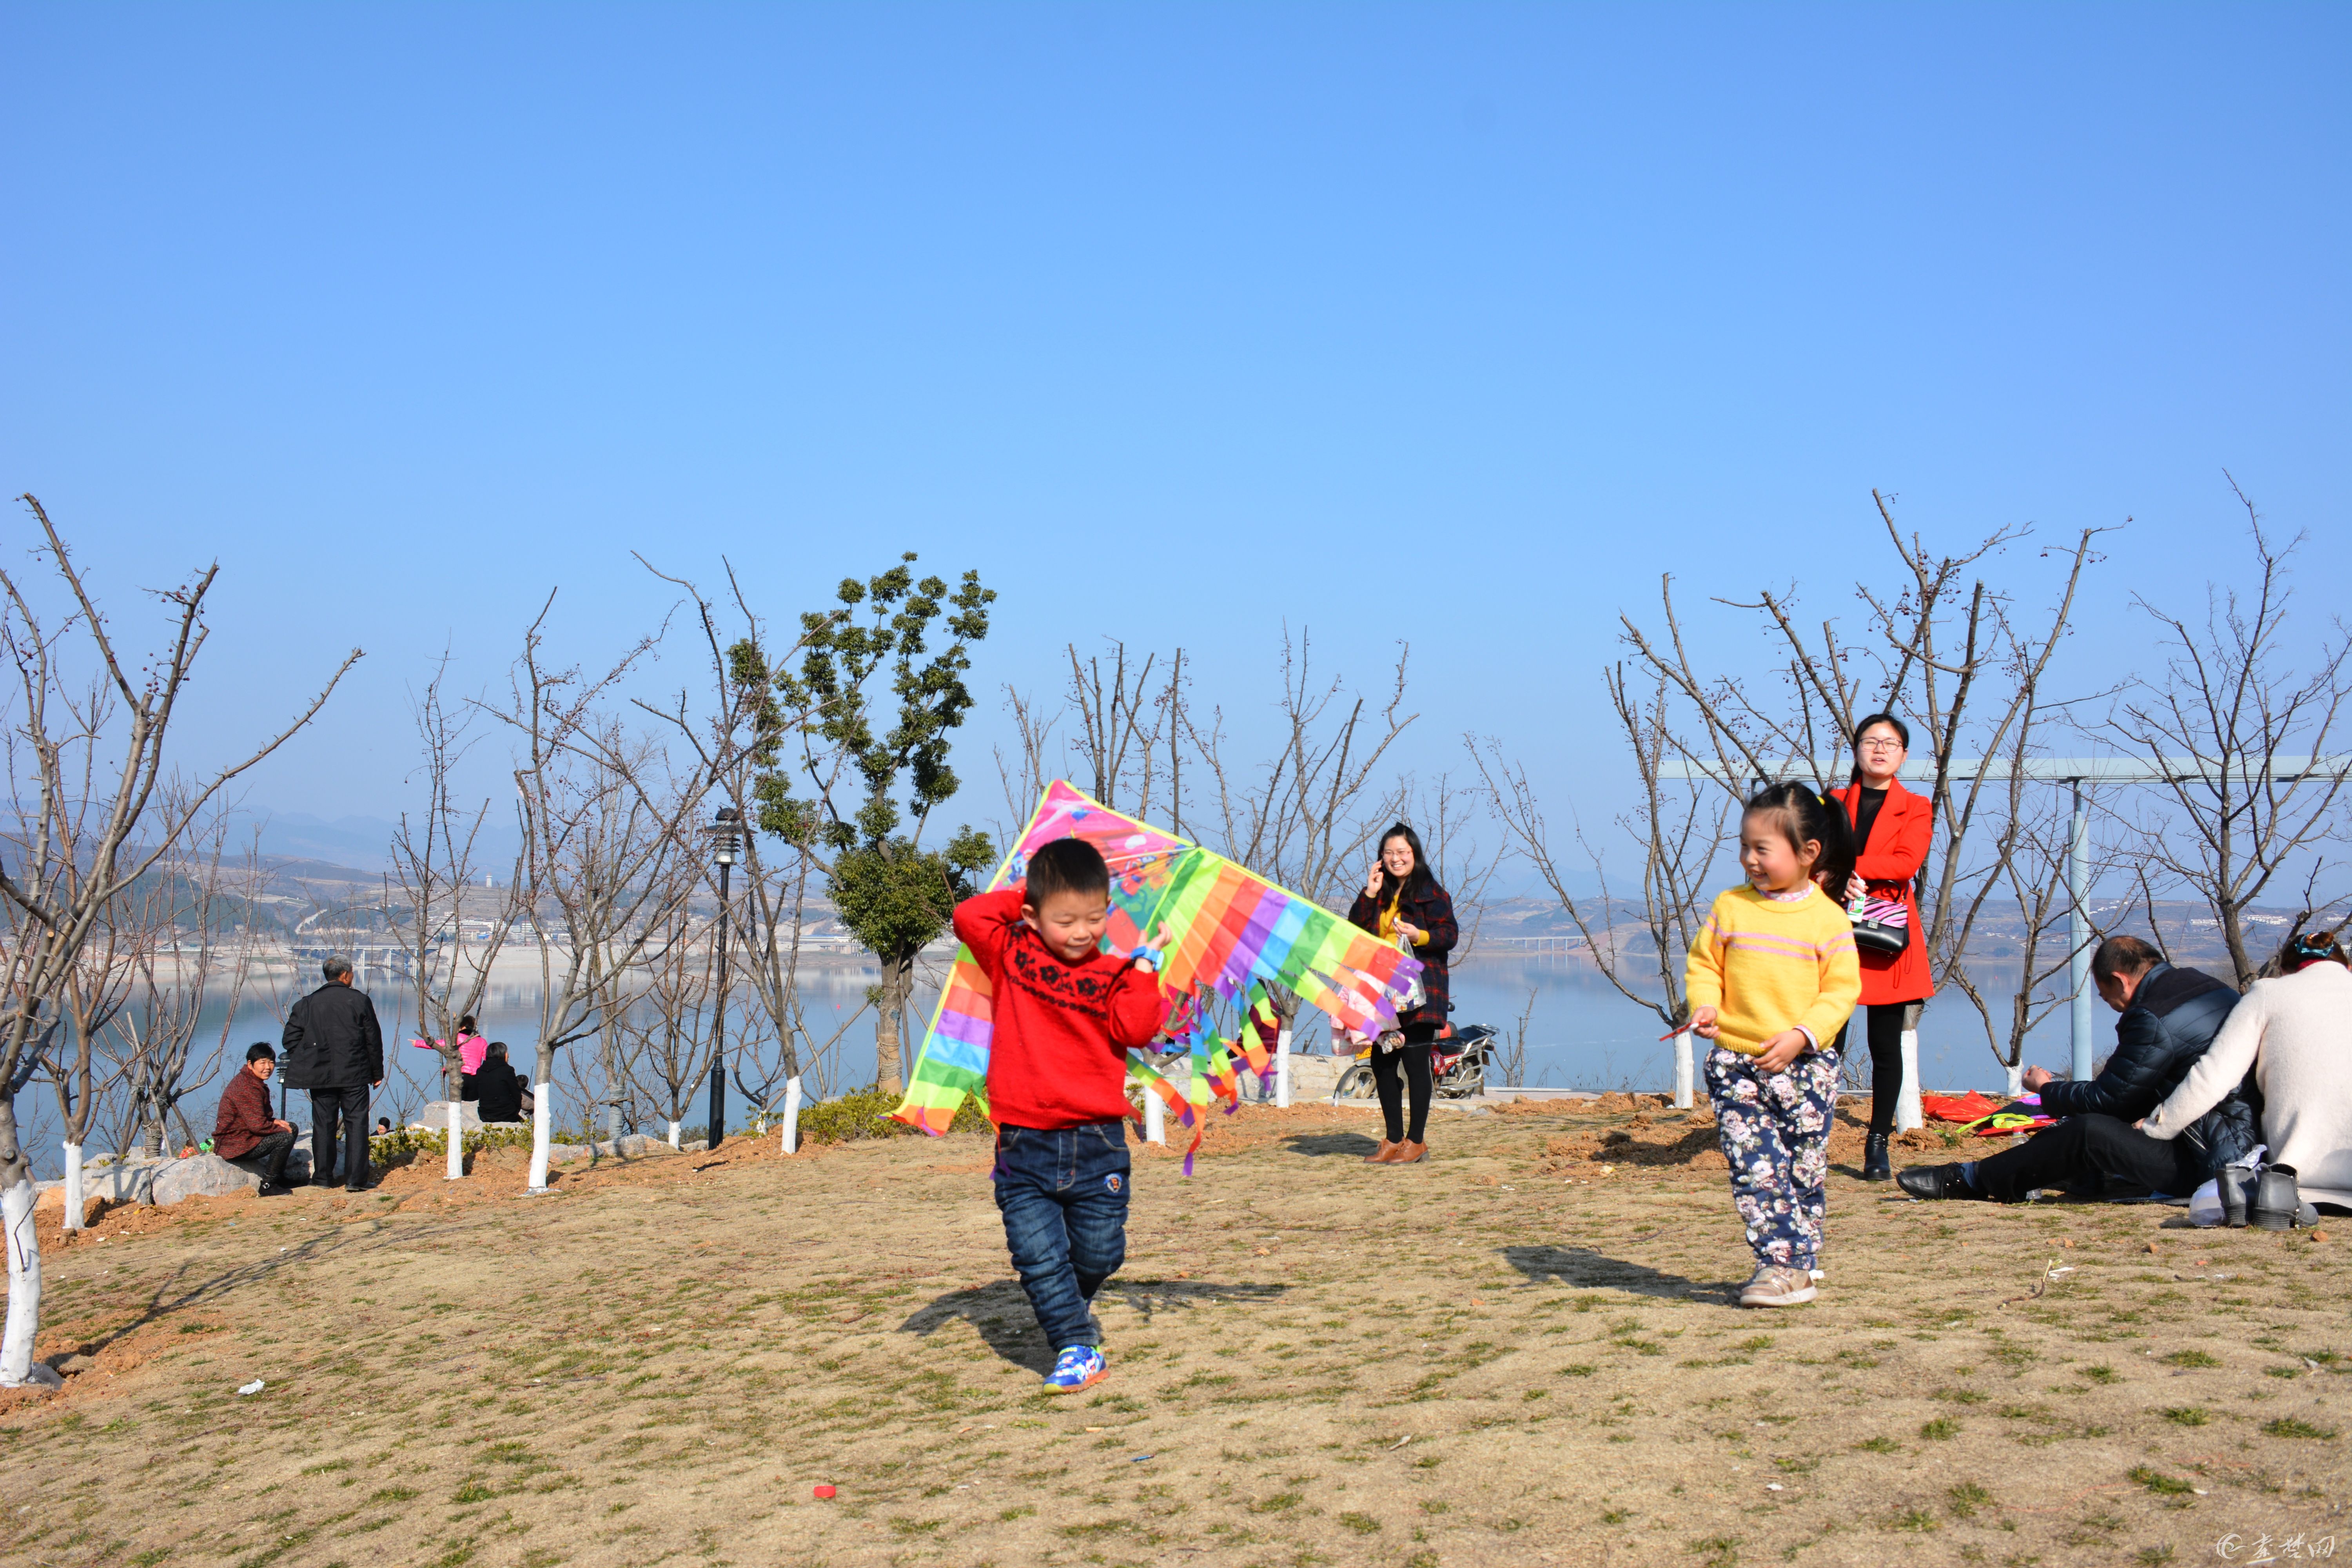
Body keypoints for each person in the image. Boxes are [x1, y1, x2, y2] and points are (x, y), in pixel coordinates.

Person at [952, 837, 1169, 1394]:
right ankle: (1076, 1345)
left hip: (1098, 1143)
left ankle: (1074, 1300)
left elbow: (1139, 1030)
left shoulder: (1118, 973)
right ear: (1031, 915)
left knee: (1098, 1253)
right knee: (1037, 1256)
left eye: (1094, 918)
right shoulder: (1011, 953)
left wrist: (1146, 966)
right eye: (1065, 918)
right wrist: (1034, 891)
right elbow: (968, 913)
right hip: (1023, 1145)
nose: (1081, 932)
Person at [1896, 935, 2254, 1204]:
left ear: (2120, 980)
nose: (2111, 1006)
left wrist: (2046, 1090)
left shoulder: (2152, 1016)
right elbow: (2137, 1090)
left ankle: (1971, 1180)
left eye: (2105, 996)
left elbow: (2111, 1099)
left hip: (2207, 1159)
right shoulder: (2209, 988)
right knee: (2082, 1127)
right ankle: (2049, 1174)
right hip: (2242, 1141)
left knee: (2088, 1131)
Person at [1685, 782, 1861, 1308]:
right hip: (1737, 1063)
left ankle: (1801, 1260)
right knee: (1756, 1166)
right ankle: (1779, 1266)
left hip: (1806, 1067)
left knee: (1803, 1169)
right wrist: (1706, 1004)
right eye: (1744, 846)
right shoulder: (1730, 907)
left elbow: (1841, 991)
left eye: (1762, 849)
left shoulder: (1828, 918)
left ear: (1809, 853)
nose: (1749, 859)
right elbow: (1704, 965)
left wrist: (1802, 1035)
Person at [2140, 929, 2352, 1217]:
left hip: (2295, 1179)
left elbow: (2215, 1075)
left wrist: (2158, 1126)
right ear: (2348, 967)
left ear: (2283, 971)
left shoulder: (2270, 993)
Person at [1826, 714, 1936, 1181]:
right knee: (1825, 1039)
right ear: (1856, 748)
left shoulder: (1916, 805)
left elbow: (1907, 860)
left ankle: (1877, 1144)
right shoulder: (1830, 801)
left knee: (1884, 1045)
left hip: (1885, 935)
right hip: (1832, 928)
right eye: (1870, 741)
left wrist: (1853, 868)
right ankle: (1811, 1132)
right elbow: (1810, 849)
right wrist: (1833, 876)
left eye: (1889, 743)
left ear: (1903, 755)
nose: (1879, 749)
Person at [1346, 824, 1460, 1166]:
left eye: (1402, 853)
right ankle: (1393, 1140)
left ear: (1415, 856)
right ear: (1381, 858)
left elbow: (1449, 935)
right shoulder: (1378, 893)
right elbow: (1355, 929)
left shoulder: (1431, 892)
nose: (1396, 859)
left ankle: (1417, 1142)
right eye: (1389, 853)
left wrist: (1419, 935)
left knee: (1414, 1063)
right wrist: (1369, 892)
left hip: (1421, 991)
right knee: (1382, 1061)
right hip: (1382, 990)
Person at [280, 955, 386, 1192]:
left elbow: (290, 1040)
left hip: (320, 1075)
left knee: (323, 1125)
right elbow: (373, 1040)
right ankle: (355, 1181)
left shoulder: (307, 1004)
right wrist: (376, 1072)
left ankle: (323, 1179)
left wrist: (311, 1056)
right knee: (357, 1125)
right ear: (346, 975)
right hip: (355, 1074)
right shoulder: (360, 1001)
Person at [212, 1043, 298, 1194]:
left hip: (245, 1136)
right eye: (263, 1063)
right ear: (250, 1065)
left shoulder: (252, 1081)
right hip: (235, 1144)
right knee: (285, 1137)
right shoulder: (247, 1087)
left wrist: (274, 1122)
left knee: (291, 1127)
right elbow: (257, 1126)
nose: (268, 1067)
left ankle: (278, 1178)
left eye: (271, 1062)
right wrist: (278, 1127)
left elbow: (257, 1118)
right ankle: (268, 1185)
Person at [469, 1042, 532, 1124]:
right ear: (502, 1054)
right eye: (506, 1052)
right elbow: (516, 1094)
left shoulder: (480, 1071)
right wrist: (515, 1110)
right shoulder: (507, 1070)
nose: (508, 1055)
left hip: (485, 1114)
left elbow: (477, 1093)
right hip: (505, 1114)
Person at [411, 1015, 488, 1079]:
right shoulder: (482, 1041)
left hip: (458, 1073)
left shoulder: (456, 1038)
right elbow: (488, 1058)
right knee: (473, 1098)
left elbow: (436, 1044)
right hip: (476, 1075)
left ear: (462, 1026)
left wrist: (418, 1043)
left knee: (458, 1097)